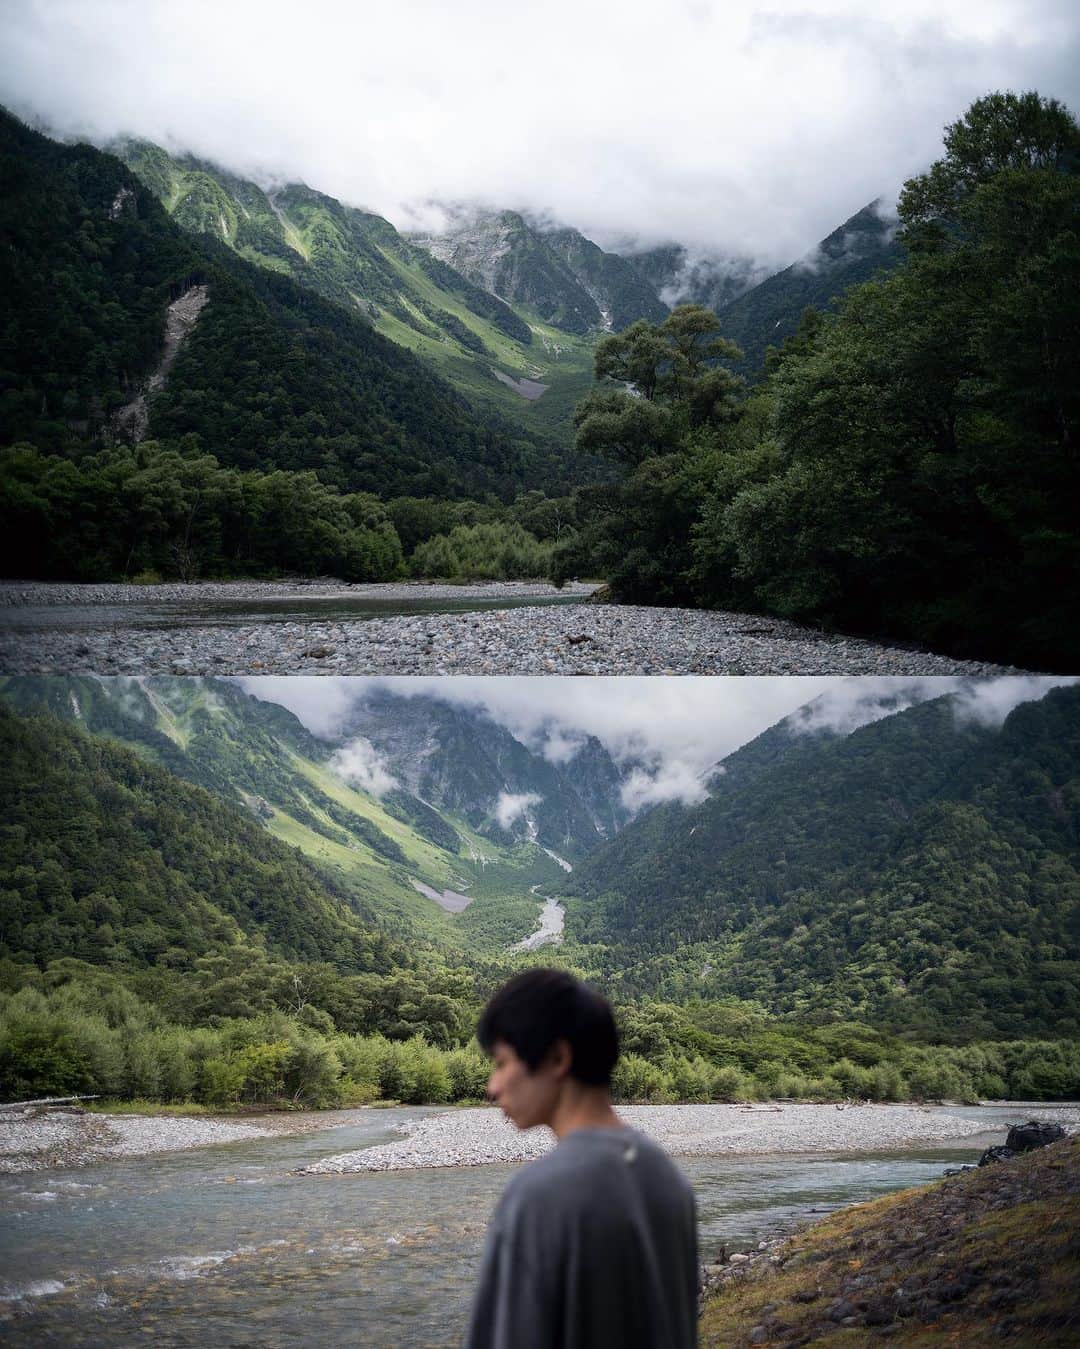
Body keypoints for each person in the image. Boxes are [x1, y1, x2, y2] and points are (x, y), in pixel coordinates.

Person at [465, 968, 698, 1349]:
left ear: (557, 1058)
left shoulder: (538, 1197)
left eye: (502, 1062)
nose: (492, 1087)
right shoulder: (668, 1178)